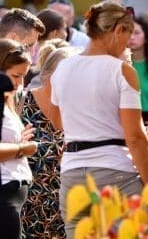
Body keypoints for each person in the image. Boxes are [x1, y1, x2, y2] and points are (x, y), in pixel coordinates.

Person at [49, 2, 148, 238]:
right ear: (118, 30)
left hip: (72, 173)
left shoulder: (63, 68)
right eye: (126, 37)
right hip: (115, 173)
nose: (126, 45)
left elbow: (58, 122)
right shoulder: (121, 70)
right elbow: (135, 138)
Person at [21, 44, 77, 239]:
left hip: (67, 213)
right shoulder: (21, 105)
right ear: (46, 77)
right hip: (28, 213)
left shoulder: (80, 110)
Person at [0, 42, 37, 237]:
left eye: (24, 76)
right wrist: (22, 148)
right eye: (16, 76)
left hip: (12, 195)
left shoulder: (8, 101)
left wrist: (19, 142)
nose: (20, 83)